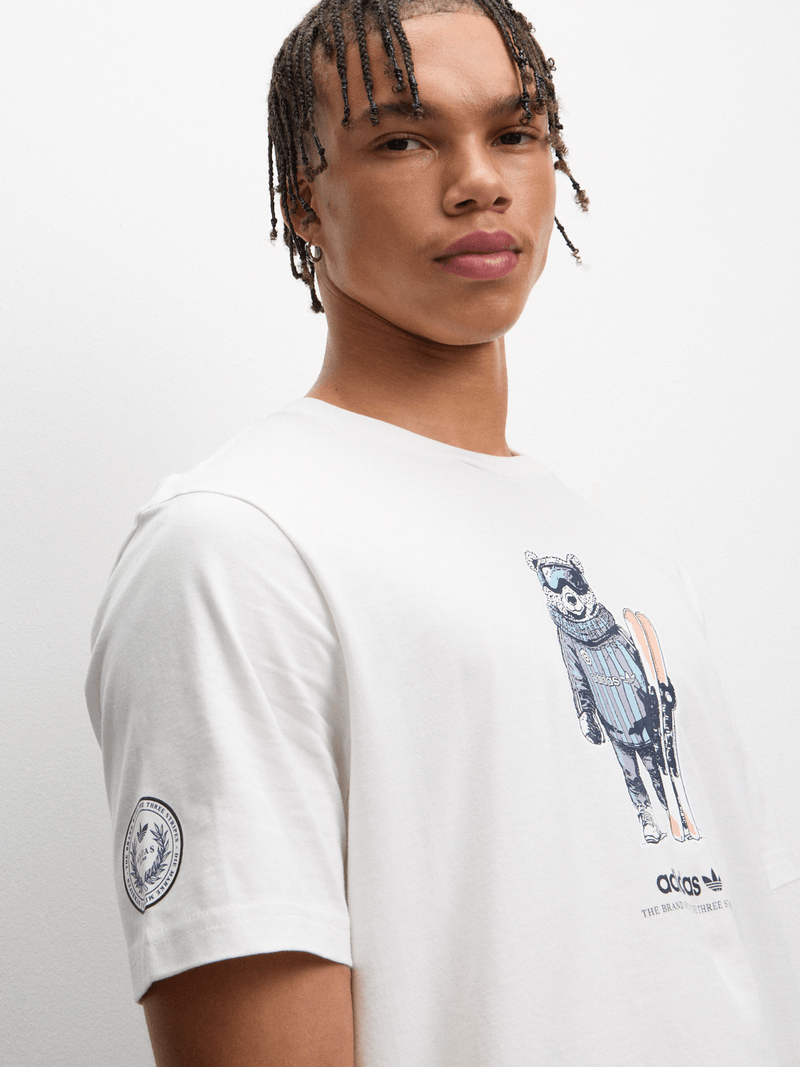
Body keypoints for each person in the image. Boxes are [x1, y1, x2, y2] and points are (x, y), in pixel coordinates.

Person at [85, 1, 800, 1064]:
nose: (478, 181)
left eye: (514, 131)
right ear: (305, 201)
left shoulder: (636, 568)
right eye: (404, 141)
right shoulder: (236, 548)